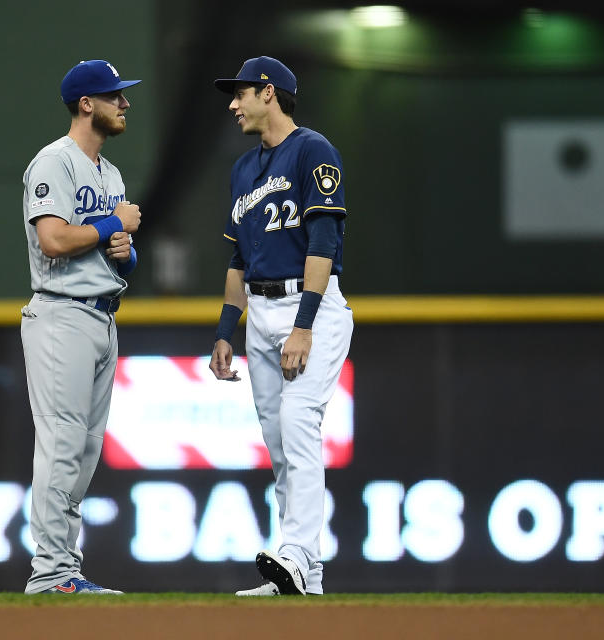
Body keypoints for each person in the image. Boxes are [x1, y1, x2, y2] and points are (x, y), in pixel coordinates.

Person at [209, 56, 354, 596]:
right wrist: (227, 328)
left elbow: (324, 243)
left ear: (269, 92)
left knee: (298, 426)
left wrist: (304, 325)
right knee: (279, 446)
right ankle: (304, 576)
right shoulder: (242, 170)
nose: (233, 103)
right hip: (260, 311)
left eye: (241, 92)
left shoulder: (314, 150)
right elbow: (236, 262)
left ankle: (293, 554)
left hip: (309, 305)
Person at [20, 59, 142, 595]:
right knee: (63, 445)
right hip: (60, 315)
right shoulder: (54, 162)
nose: (125, 104)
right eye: (115, 96)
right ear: (87, 103)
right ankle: (49, 573)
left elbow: (110, 256)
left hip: (102, 314)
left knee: (85, 452)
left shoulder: (109, 173)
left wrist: (124, 251)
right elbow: (54, 240)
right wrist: (114, 224)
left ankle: (65, 569)